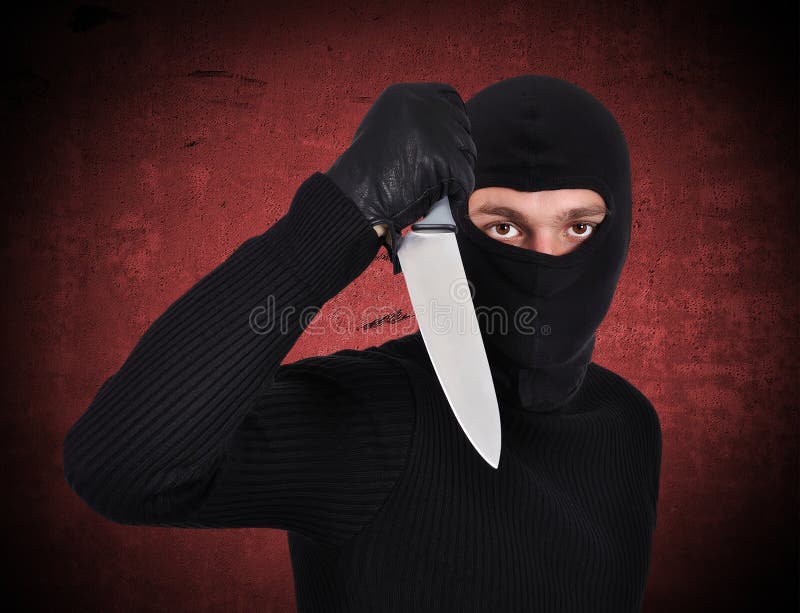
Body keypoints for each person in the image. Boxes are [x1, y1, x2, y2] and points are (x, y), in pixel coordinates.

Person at [63, 75, 662, 612]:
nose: (542, 261)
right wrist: (346, 209)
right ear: (456, 229)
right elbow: (122, 468)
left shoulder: (630, 422)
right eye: (502, 226)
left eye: (578, 226)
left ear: (619, 234)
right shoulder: (374, 419)